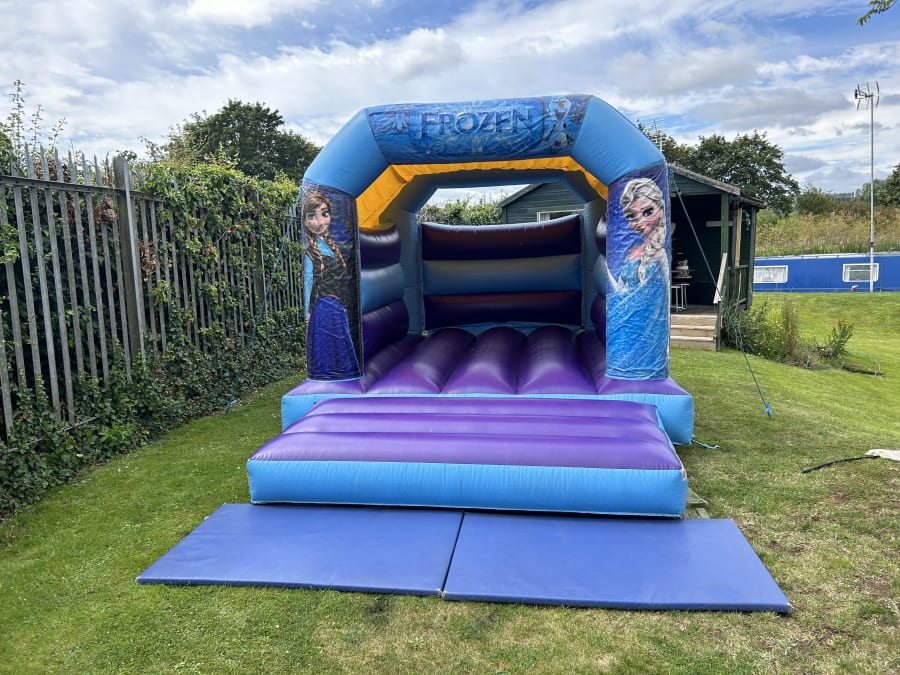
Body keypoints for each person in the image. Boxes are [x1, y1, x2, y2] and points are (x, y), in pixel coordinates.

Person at [606, 177, 669, 379]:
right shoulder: (631, 252)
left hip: (646, 332)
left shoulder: (659, 255)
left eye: (647, 212)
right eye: (631, 216)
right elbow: (621, 289)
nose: (640, 222)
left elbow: (664, 297)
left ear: (661, 209)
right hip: (624, 327)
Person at [302, 189, 360, 379]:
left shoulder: (330, 245)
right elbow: (308, 283)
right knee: (328, 352)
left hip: (337, 308)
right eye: (312, 216)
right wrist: (306, 313)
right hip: (325, 310)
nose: (320, 222)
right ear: (305, 221)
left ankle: (343, 379)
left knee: (339, 351)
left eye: (324, 214)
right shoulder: (310, 253)